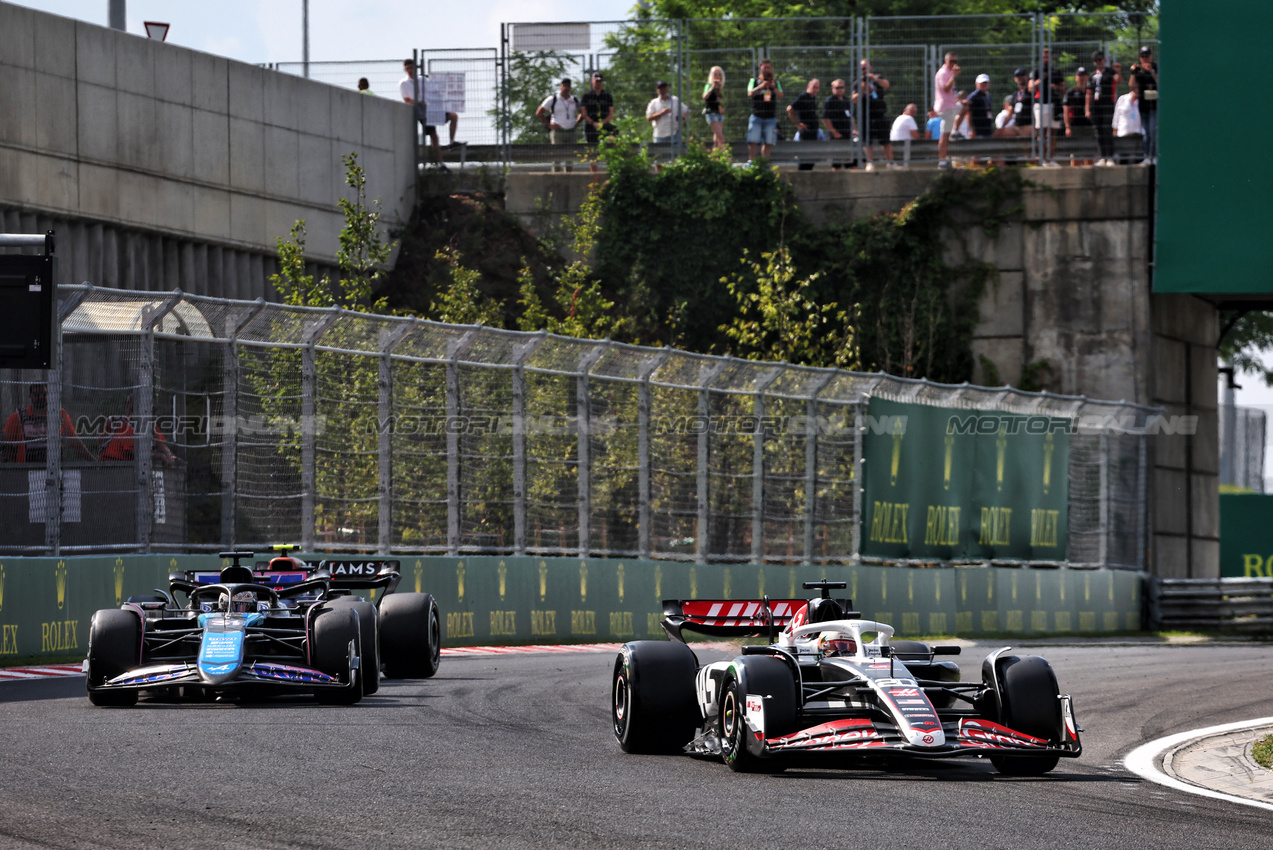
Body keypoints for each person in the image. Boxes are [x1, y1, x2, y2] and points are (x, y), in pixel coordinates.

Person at [1, 383, 93, 463]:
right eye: (37, 394)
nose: (41, 397)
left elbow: (74, 441)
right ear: (30, 396)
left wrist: (93, 462)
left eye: (44, 394)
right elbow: (6, 445)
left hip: (54, 468)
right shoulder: (18, 417)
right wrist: (17, 464)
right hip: (26, 470)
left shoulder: (59, 414)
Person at [400, 59, 457, 169]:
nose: (410, 71)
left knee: (453, 116)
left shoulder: (423, 80)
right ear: (405, 70)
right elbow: (406, 99)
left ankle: (452, 141)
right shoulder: (404, 83)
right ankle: (441, 164)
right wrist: (418, 102)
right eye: (408, 69)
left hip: (433, 107)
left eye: (412, 68)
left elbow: (434, 90)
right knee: (434, 136)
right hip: (422, 112)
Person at [98, 395, 176, 467]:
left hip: (129, 465)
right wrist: (160, 456)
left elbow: (161, 445)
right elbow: (136, 452)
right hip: (112, 464)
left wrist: (170, 456)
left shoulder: (151, 425)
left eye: (153, 410)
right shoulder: (124, 424)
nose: (152, 414)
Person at [852, 59, 892, 170]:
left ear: (870, 67)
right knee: (867, 141)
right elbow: (854, 99)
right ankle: (870, 162)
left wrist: (873, 78)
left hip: (879, 114)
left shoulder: (878, 78)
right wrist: (863, 87)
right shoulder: (857, 83)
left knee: (885, 140)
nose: (863, 70)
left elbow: (887, 85)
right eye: (861, 69)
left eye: (865, 68)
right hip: (866, 115)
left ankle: (890, 162)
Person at [1029, 48, 1066, 165]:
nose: (1046, 59)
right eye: (1044, 57)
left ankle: (1051, 159)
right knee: (1042, 132)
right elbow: (1030, 88)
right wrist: (1039, 82)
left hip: (1054, 105)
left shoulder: (1056, 71)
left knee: (1053, 133)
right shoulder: (1036, 71)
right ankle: (1042, 158)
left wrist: (1055, 87)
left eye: (1048, 57)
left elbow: (1063, 89)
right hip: (1041, 105)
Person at [1086, 50, 1121, 166]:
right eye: (1096, 60)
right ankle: (1102, 157)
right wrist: (1087, 109)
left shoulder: (1110, 72)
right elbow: (1089, 92)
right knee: (1098, 131)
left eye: (1100, 59)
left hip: (1107, 104)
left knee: (1107, 130)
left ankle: (1109, 157)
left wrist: (1118, 71)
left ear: (1104, 60)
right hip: (1096, 106)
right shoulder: (1092, 75)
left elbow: (1118, 80)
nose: (1098, 62)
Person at [746, 58, 784, 162]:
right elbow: (750, 93)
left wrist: (773, 87)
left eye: (768, 67)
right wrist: (761, 87)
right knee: (753, 141)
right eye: (765, 67)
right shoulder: (754, 80)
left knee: (768, 142)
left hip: (770, 117)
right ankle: (751, 162)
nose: (767, 69)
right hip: (757, 116)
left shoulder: (775, 82)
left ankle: (764, 163)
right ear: (760, 68)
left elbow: (781, 95)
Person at [580, 72, 615, 173]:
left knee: (612, 140)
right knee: (592, 151)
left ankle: (611, 169)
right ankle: (595, 175)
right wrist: (593, 123)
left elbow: (611, 113)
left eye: (600, 81)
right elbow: (584, 113)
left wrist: (602, 123)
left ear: (602, 82)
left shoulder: (607, 96)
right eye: (596, 81)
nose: (598, 83)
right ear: (592, 81)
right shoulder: (586, 96)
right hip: (590, 127)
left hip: (604, 125)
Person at [1131, 46, 1158, 165]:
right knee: (1146, 133)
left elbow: (1161, 83)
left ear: (1151, 56)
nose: (1145, 58)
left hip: (1154, 105)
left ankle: (1155, 156)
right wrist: (1133, 72)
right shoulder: (1138, 70)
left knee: (1153, 131)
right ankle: (1147, 156)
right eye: (1143, 56)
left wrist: (1152, 72)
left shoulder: (1156, 67)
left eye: (1147, 56)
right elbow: (1131, 86)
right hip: (1143, 106)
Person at [933, 52, 960, 168]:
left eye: (955, 61)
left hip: (951, 105)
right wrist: (954, 76)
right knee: (944, 136)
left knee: (964, 108)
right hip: (945, 108)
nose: (953, 64)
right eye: (951, 61)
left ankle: (955, 130)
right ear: (946, 61)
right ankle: (942, 160)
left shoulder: (948, 72)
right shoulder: (943, 73)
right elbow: (946, 89)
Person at [821, 79, 855, 170]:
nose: (840, 89)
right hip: (836, 136)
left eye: (841, 87)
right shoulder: (829, 101)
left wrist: (854, 129)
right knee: (837, 162)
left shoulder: (846, 100)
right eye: (837, 88)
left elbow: (851, 117)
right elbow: (825, 118)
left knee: (851, 162)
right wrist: (834, 132)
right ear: (833, 89)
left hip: (847, 134)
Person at [536, 78, 582, 146]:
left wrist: (577, 122)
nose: (566, 88)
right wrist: (548, 124)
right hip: (558, 131)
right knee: (558, 154)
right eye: (564, 85)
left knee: (573, 153)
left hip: (571, 131)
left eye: (568, 86)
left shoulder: (575, 99)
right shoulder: (553, 99)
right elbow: (539, 112)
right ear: (561, 86)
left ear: (570, 87)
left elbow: (582, 112)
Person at [1063, 68, 1093, 165]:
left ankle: (1089, 176)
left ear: (1087, 77)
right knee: (1076, 154)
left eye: (1084, 75)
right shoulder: (1071, 92)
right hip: (1075, 125)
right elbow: (1066, 111)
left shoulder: (1091, 92)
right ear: (1076, 78)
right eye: (1079, 75)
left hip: (1089, 126)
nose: (1082, 78)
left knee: (1089, 153)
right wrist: (1067, 127)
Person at [645, 80, 688, 148]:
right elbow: (649, 118)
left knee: (676, 155)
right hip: (659, 135)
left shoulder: (675, 100)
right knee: (659, 156)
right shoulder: (654, 103)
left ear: (667, 88)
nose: (663, 90)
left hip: (674, 134)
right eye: (661, 88)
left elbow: (687, 111)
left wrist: (682, 117)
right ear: (657, 90)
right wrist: (661, 113)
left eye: (664, 88)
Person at [1112, 79, 1143, 163]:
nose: (1137, 90)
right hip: (1123, 135)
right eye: (1135, 88)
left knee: (1138, 160)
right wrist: (1115, 129)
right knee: (1122, 160)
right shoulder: (1122, 99)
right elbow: (1116, 116)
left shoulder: (1143, 101)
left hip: (1138, 135)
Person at [702, 66, 727, 152]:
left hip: (719, 113)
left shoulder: (719, 88)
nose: (717, 76)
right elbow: (705, 96)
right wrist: (712, 87)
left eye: (719, 74)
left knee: (717, 140)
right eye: (715, 74)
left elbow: (720, 101)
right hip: (711, 113)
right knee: (721, 138)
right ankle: (725, 157)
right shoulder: (708, 85)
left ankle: (715, 157)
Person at [888, 103, 920, 168]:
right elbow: (916, 136)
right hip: (904, 149)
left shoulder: (898, 118)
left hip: (894, 148)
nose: (914, 114)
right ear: (905, 110)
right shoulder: (909, 118)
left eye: (915, 112)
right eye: (912, 111)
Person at [1007, 67, 1034, 138]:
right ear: (1015, 79)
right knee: (1000, 133)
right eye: (1017, 76)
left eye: (1022, 76)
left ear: (1026, 77)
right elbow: (1010, 111)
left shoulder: (1030, 92)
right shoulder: (1015, 93)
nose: (1019, 78)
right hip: (1017, 125)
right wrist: (1002, 127)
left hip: (1028, 124)